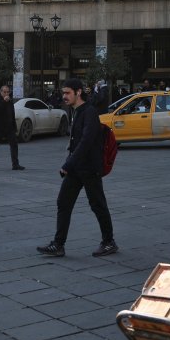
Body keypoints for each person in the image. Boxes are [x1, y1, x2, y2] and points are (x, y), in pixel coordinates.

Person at [38, 78, 116, 258]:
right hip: (76, 168)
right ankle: (58, 245)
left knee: (97, 205)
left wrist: (68, 164)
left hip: (89, 168)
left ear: (78, 92)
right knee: (63, 202)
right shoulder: (77, 111)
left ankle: (109, 242)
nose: (64, 96)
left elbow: (86, 141)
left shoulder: (89, 112)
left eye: (67, 93)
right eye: (63, 93)